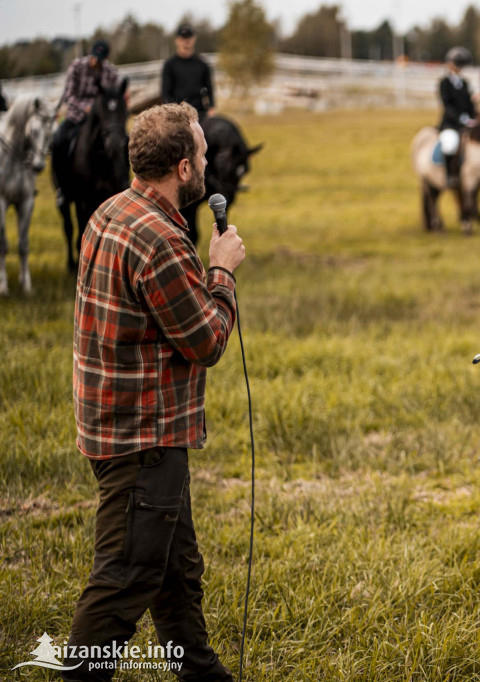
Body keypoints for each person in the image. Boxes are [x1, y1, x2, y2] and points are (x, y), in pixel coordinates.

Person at [62, 102, 245, 682]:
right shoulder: (161, 240)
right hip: (145, 440)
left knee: (174, 576)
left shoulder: (109, 212)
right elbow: (207, 341)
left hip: (118, 428)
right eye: (204, 154)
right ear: (184, 169)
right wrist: (222, 271)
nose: (209, 163)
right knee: (125, 580)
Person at [52, 40, 121, 207]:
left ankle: (123, 182)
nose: (96, 61)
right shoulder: (76, 67)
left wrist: (100, 110)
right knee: (58, 142)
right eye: (94, 57)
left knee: (121, 140)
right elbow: (69, 95)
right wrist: (87, 108)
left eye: (100, 58)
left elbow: (114, 96)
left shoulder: (111, 72)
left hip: (101, 121)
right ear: (91, 53)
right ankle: (62, 188)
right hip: (76, 117)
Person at [438, 46, 476, 188]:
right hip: (451, 123)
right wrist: (460, 119)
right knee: (450, 144)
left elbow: (470, 104)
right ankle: (450, 175)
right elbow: (447, 106)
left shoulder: (465, 83)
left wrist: (473, 117)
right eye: (457, 64)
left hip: (468, 122)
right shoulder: (444, 83)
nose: (459, 68)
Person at [161, 24, 216, 121]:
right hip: (177, 115)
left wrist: (211, 107)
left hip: (199, 114)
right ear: (177, 40)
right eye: (183, 38)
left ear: (194, 39)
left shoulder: (202, 64)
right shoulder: (169, 65)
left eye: (189, 37)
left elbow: (209, 89)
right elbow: (165, 93)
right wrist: (172, 111)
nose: (186, 41)